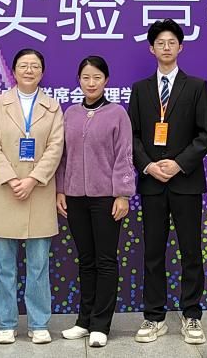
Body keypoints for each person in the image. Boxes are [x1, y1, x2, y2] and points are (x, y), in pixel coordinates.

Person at [128, 19, 207, 345]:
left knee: (190, 250)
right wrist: (149, 166)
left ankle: (191, 314)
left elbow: (206, 133)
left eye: (171, 42)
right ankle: (154, 317)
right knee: (153, 252)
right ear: (151, 49)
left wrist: (179, 164)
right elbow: (132, 135)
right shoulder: (140, 89)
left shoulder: (196, 86)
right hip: (152, 183)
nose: (166, 47)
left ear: (180, 47)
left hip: (186, 182)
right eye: (160, 43)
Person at [0, 49, 65, 345]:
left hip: (38, 191)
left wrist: (33, 179)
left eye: (35, 66)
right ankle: (6, 323)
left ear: (42, 72)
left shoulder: (52, 107)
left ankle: (39, 323)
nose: (29, 70)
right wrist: (12, 179)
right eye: (23, 66)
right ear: (14, 71)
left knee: (38, 265)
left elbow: (55, 147)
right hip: (5, 191)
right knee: (4, 265)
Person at [55, 56, 134, 348]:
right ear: (79, 80)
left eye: (97, 77)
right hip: (75, 197)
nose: (91, 83)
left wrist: (122, 194)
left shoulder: (117, 113)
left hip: (106, 199)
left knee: (105, 260)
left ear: (106, 80)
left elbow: (124, 154)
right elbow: (62, 156)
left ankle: (101, 324)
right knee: (86, 260)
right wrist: (61, 190)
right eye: (86, 77)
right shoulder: (70, 114)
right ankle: (84, 321)